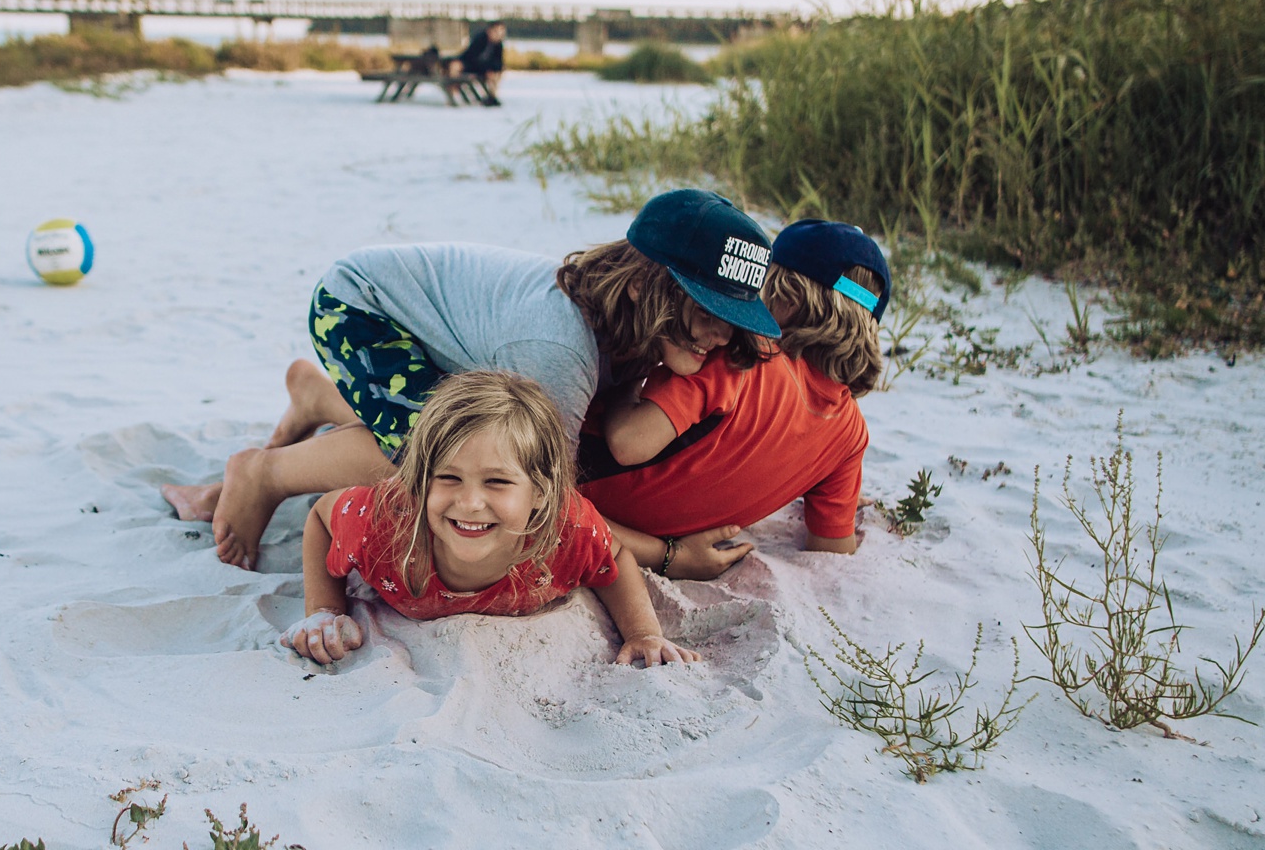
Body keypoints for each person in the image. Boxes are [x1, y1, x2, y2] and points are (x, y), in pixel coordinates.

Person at [161, 188, 781, 571]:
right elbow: (551, 510)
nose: (722, 336)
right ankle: (262, 473)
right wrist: (671, 557)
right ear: (647, 287)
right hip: (359, 308)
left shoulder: (623, 327)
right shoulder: (557, 351)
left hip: (433, 330)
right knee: (441, 461)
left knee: (446, 429)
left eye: (733, 318)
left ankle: (317, 397)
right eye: (707, 311)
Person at [279, 371, 700, 667]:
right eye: (448, 478)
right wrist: (324, 609)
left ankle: (319, 398)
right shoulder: (386, 525)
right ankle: (319, 401)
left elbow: (616, 555)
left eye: (497, 482)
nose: (471, 502)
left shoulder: (565, 530)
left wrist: (643, 633)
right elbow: (320, 516)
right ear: (421, 482)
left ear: (540, 493)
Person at [578, 219, 891, 579]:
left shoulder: (744, 355)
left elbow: (627, 442)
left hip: (582, 479)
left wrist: (631, 377)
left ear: (787, 298)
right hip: (638, 528)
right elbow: (833, 550)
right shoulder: (850, 437)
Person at [453, 20, 506, 104]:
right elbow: (472, 58)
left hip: (484, 68)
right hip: (470, 65)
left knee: (496, 74)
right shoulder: (480, 39)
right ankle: (454, 95)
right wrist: (486, 69)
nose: (498, 35)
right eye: (496, 31)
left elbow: (499, 62)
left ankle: (492, 97)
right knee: (455, 67)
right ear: (489, 31)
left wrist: (493, 69)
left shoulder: (498, 45)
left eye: (501, 32)